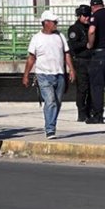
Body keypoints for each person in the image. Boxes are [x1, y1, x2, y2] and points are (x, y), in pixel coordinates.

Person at [22, 10, 76, 139]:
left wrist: (71, 69)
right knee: (50, 101)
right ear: (46, 23)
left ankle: (51, 123)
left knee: (57, 102)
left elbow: (66, 53)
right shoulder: (36, 38)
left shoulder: (60, 36)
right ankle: (50, 129)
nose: (56, 24)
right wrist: (26, 75)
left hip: (59, 74)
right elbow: (31, 58)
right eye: (54, 22)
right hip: (43, 74)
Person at [67, 4, 93, 122]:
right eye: (85, 15)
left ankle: (89, 111)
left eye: (89, 15)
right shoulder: (75, 29)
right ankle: (81, 113)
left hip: (91, 60)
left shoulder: (90, 28)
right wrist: (85, 44)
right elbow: (73, 45)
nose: (87, 18)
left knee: (93, 88)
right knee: (82, 88)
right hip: (80, 61)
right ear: (79, 16)